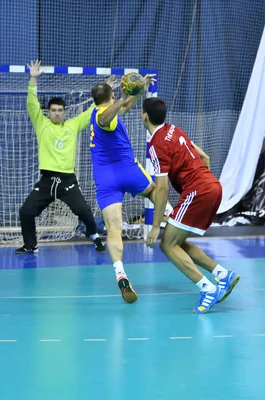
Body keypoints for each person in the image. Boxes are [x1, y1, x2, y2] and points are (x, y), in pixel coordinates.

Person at [142, 97, 240, 314]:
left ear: (144, 116)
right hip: (213, 185)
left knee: (167, 245)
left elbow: (162, 189)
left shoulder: (155, 146)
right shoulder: (175, 129)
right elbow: (204, 156)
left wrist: (156, 225)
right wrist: (204, 181)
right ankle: (223, 275)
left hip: (198, 191)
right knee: (177, 242)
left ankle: (207, 289)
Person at [16, 59, 106, 254]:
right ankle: (30, 245)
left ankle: (95, 236)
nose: (56, 113)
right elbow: (32, 103)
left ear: (65, 112)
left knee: (83, 211)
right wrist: (33, 78)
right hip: (47, 180)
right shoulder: (41, 124)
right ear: (48, 112)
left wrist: (106, 91)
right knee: (26, 212)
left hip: (67, 181)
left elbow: (93, 110)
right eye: (53, 110)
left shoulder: (73, 125)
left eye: (60, 110)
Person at [89, 74, 163, 303]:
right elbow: (106, 117)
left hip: (104, 178)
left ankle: (120, 272)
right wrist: (121, 98)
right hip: (124, 169)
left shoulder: (101, 110)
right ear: (111, 96)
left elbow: (124, 106)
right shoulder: (103, 114)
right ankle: (170, 218)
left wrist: (141, 88)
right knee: (156, 190)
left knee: (113, 228)